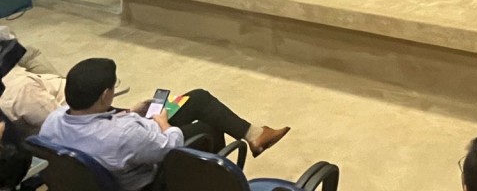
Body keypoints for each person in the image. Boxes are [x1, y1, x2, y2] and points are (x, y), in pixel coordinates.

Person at [39, 58, 290, 191]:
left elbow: (102, 131)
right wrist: (164, 124)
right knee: (207, 128)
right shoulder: (124, 134)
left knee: (197, 98)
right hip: (147, 168)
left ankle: (255, 135)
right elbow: (168, 146)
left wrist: (130, 112)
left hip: (123, 146)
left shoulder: (54, 120)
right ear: (105, 95)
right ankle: (211, 182)